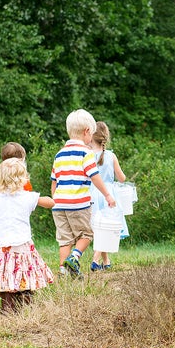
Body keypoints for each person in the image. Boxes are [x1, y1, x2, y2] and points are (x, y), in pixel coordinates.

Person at [0, 157, 55, 312]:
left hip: (2, 245)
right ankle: (26, 302)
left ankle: (7, 307)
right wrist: (43, 199)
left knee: (6, 274)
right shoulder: (28, 197)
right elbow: (50, 203)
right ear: (23, 178)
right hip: (22, 244)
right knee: (24, 271)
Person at [51, 108, 116, 278]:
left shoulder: (59, 155)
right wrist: (108, 195)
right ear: (87, 131)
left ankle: (63, 271)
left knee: (64, 239)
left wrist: (54, 200)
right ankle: (74, 257)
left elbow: (54, 181)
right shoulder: (86, 153)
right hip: (78, 203)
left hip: (59, 204)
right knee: (87, 234)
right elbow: (94, 177)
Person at [89, 121, 128, 271]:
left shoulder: (88, 155)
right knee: (104, 228)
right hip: (108, 194)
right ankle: (95, 260)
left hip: (92, 193)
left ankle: (106, 262)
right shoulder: (111, 156)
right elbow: (122, 178)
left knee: (99, 227)